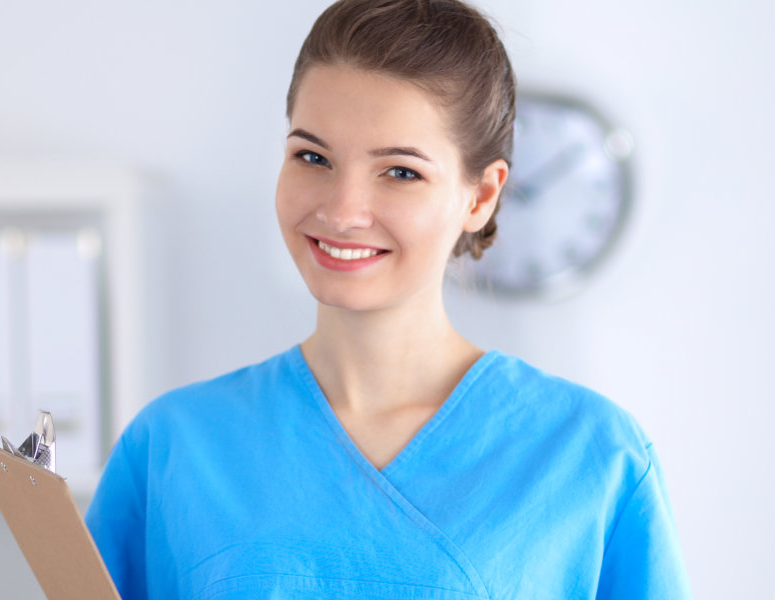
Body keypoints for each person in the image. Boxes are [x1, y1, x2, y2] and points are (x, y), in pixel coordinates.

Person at [85, 0, 689, 597]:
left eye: (400, 171)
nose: (342, 211)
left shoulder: (590, 455)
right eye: (312, 157)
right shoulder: (174, 447)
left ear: (480, 197)